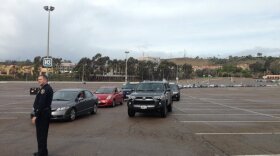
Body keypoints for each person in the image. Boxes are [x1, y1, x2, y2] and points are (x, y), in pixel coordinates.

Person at [32, 75, 53, 156]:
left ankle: (42, 153)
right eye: (38, 79)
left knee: (41, 135)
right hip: (43, 114)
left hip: (42, 115)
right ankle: (42, 152)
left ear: (45, 80)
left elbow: (41, 104)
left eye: (40, 79)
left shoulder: (45, 89)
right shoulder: (45, 88)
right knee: (41, 135)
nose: (38, 81)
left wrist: (35, 115)